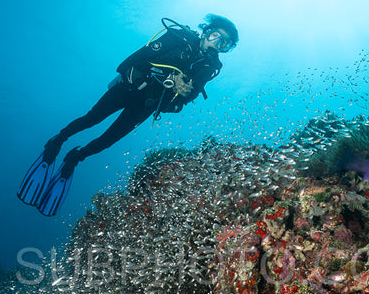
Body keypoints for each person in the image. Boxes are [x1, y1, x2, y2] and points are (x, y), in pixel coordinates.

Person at [18, 14, 239, 216]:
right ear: (204, 32)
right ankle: (57, 141)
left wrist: (181, 92)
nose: (216, 43)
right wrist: (156, 75)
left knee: (107, 141)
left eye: (224, 43)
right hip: (129, 88)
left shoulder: (209, 68)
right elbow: (131, 61)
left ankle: (75, 158)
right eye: (214, 35)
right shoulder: (178, 38)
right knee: (91, 119)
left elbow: (182, 101)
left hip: (148, 104)